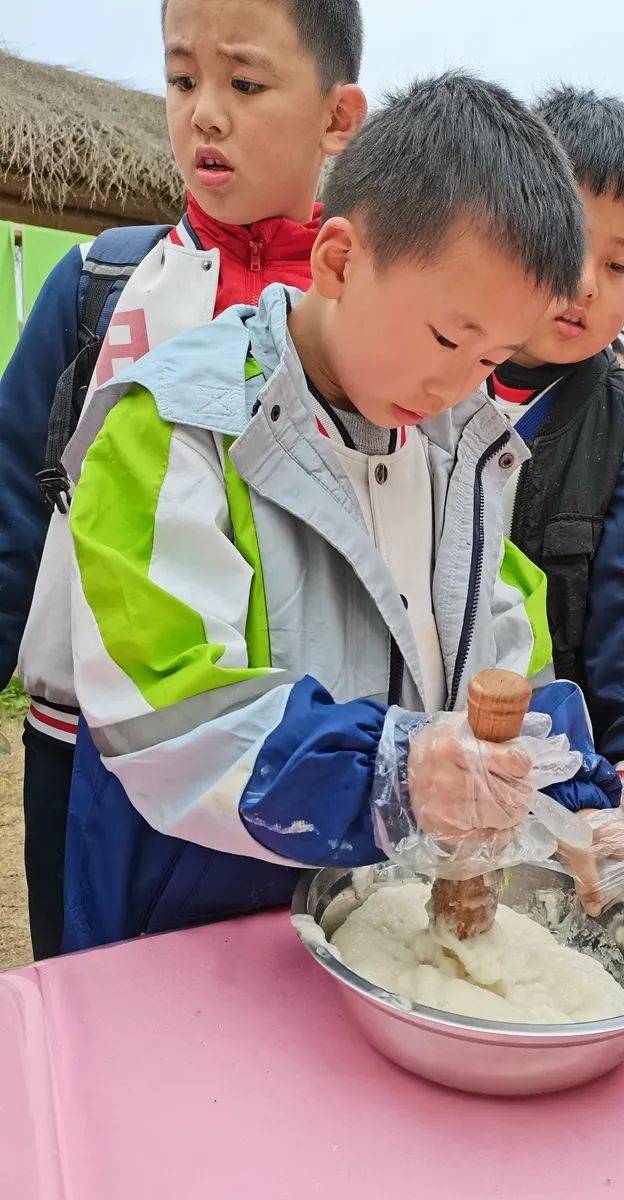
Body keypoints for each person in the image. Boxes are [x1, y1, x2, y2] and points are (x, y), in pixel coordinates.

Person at [62, 71, 624, 952]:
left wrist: (578, 798)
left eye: (494, 357)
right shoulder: (178, 425)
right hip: (194, 926)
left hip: (376, 919)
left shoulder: (460, 445)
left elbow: (507, 661)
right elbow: (162, 711)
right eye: (446, 336)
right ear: (338, 259)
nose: (456, 383)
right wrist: (391, 771)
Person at [0, 0, 367, 958]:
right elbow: (10, 505)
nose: (205, 113)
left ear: (338, 116)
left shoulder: (367, 319)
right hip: (84, 748)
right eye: (181, 79)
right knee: (90, 1015)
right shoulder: (99, 287)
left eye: (245, 83)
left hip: (295, 759)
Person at [487, 88, 624, 855]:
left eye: (619, 264)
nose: (586, 285)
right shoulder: (426, 383)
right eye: (568, 246)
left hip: (564, 768)